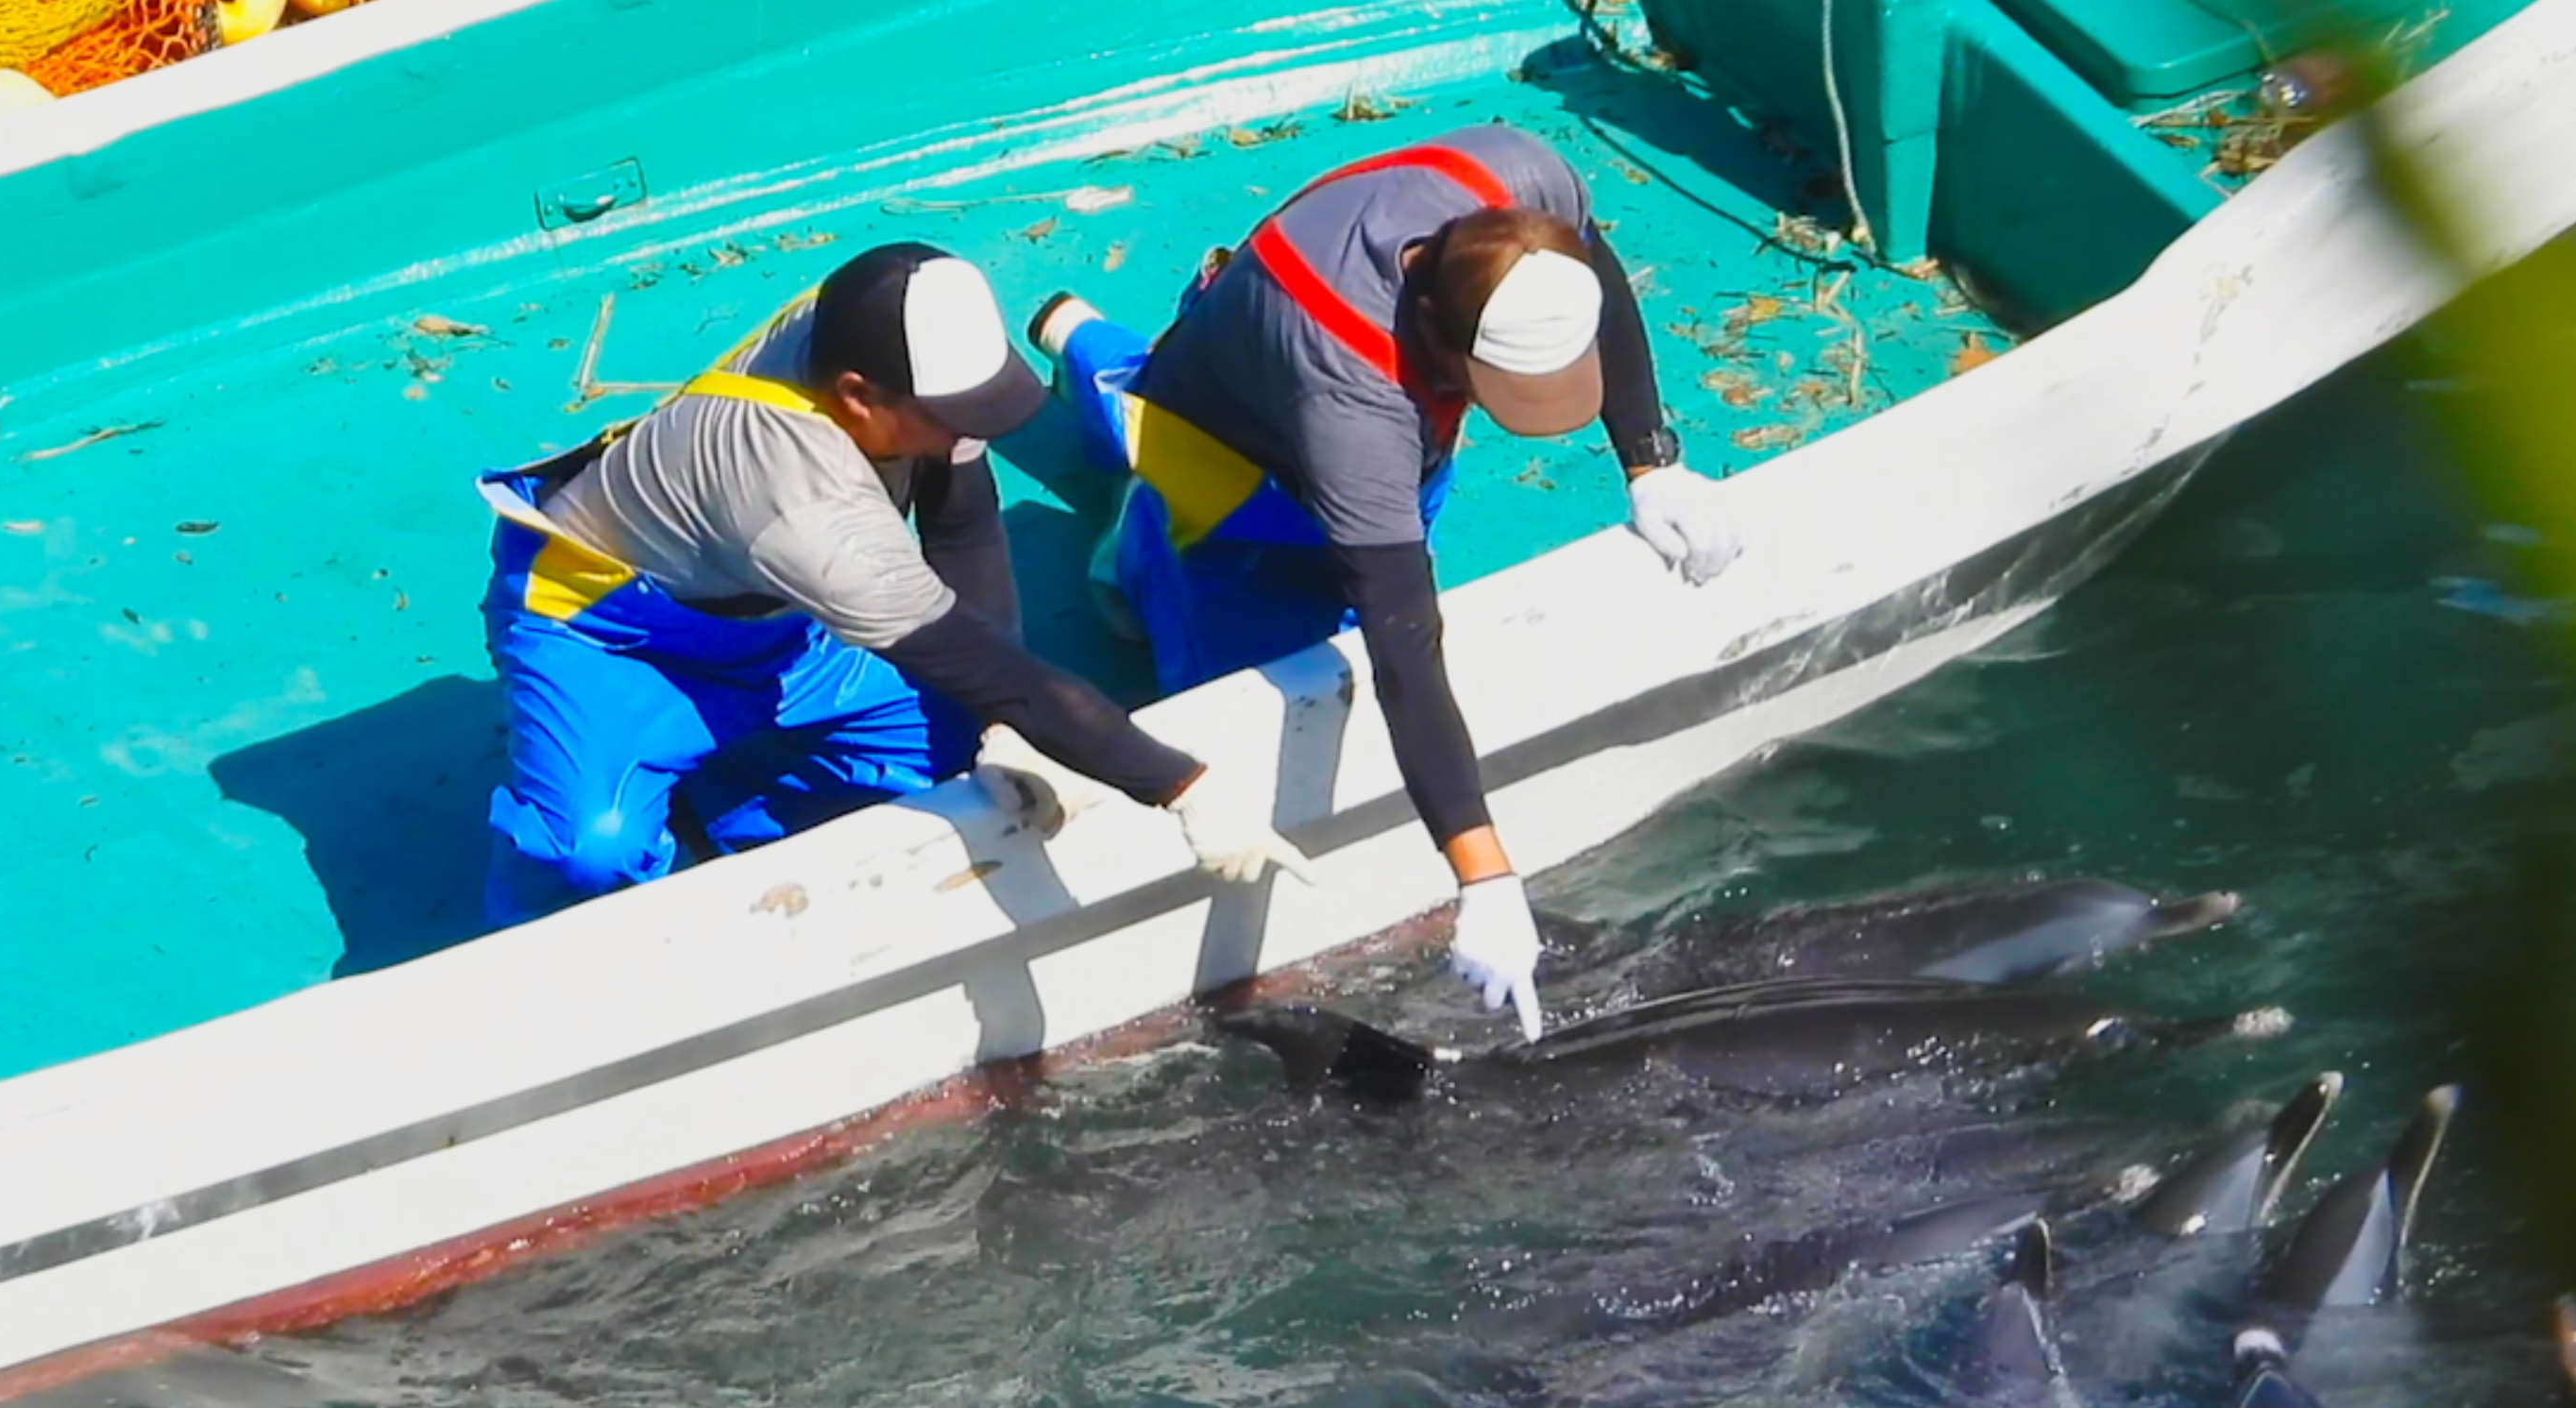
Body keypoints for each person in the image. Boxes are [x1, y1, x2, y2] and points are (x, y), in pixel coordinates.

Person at [1033, 125, 1748, 1039]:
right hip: (1224, 433)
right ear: (1442, 346)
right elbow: (1404, 644)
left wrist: (1651, 463)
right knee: (1164, 505)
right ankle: (1094, 392)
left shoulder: (1520, 184)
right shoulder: (1354, 409)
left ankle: (1089, 339)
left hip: (1270, 332)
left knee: (1304, 451)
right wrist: (1485, 876)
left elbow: (1592, 267)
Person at [475, 241, 1303, 923]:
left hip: (778, 615)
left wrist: (997, 730)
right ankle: (547, 904)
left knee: (965, 753)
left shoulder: (885, 343)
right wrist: (1180, 785)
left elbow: (963, 523)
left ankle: (723, 793)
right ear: (857, 398)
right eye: (953, 419)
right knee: (593, 851)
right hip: (607, 628)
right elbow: (984, 665)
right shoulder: (802, 506)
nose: (965, 429)